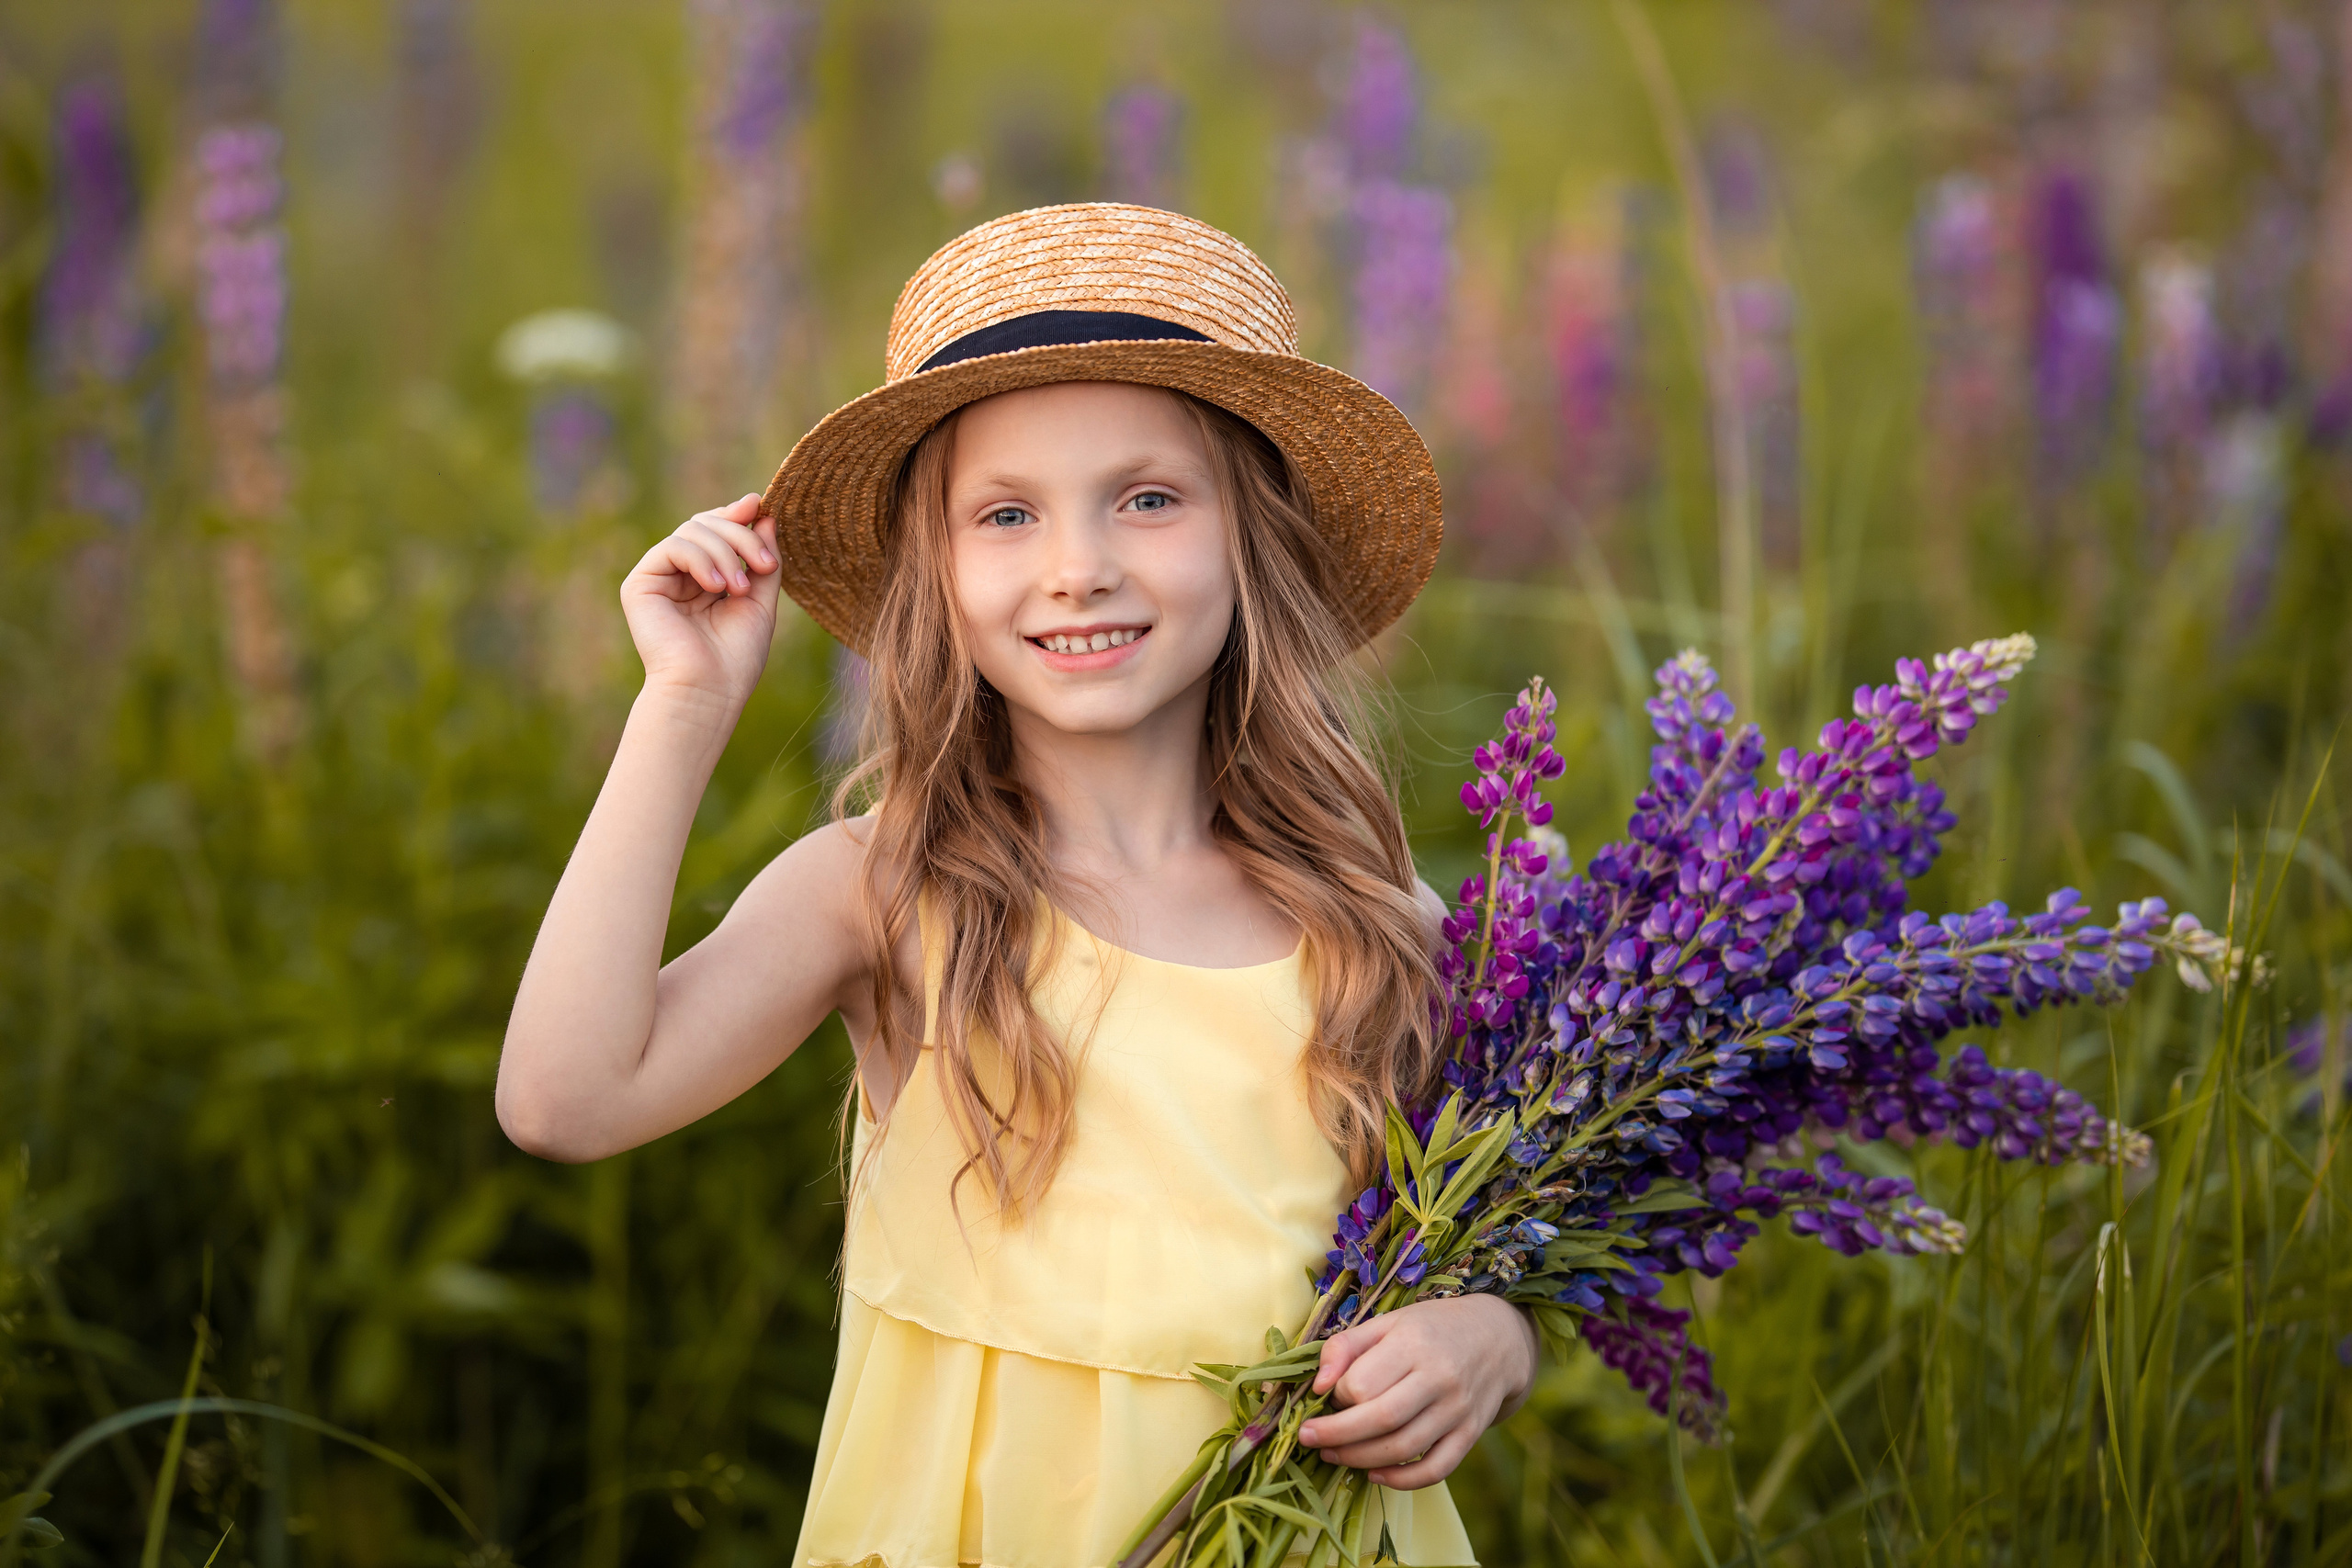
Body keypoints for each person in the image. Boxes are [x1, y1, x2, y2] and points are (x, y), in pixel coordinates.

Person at [497, 203, 1535, 1567]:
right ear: (938, 572)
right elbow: (566, 1100)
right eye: (1006, 514)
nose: (1079, 567)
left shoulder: (1373, 924)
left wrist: (1494, 1341)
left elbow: (1476, 1249)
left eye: (1149, 497)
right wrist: (684, 707)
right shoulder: (886, 891)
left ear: (1253, 540)